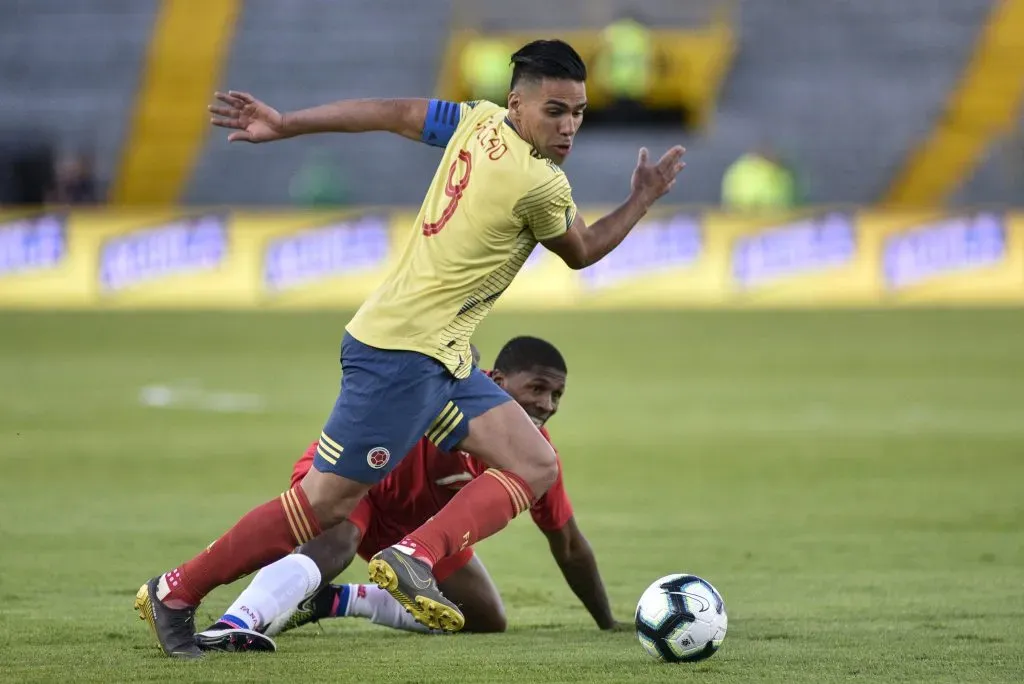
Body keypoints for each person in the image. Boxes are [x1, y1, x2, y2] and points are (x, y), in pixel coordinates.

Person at [134, 38, 685, 659]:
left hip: (446, 356)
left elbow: (396, 113)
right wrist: (642, 198)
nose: (570, 126)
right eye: (555, 111)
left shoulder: (478, 120)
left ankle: (414, 554)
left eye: (579, 111)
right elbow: (581, 252)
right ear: (518, 103)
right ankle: (177, 590)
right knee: (322, 507)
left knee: (535, 464)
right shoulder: (540, 183)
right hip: (401, 354)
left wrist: (289, 124)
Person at [195, 337, 623, 652]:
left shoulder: (537, 461)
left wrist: (607, 624)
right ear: (493, 381)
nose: (547, 404)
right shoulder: (454, 397)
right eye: (537, 389)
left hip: (412, 532)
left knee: (485, 618)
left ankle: (335, 600)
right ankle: (235, 624)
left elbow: (568, 545)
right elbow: (443, 361)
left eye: (557, 395)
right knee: (338, 542)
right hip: (354, 478)